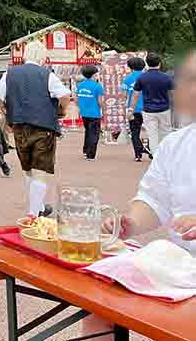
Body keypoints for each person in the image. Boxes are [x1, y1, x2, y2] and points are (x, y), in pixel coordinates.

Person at [83, 50, 196, 340]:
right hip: (182, 268)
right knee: (99, 308)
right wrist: (129, 223)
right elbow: (154, 200)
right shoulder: (176, 144)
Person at [0, 40, 71, 217]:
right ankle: (34, 214)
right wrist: (61, 110)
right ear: (42, 57)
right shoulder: (46, 74)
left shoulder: (10, 73)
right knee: (40, 171)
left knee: (28, 170)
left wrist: (7, 112)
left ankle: (39, 207)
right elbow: (65, 95)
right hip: (43, 127)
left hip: (19, 127)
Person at [129, 52, 174, 158]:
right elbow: (173, 94)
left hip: (148, 110)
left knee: (152, 135)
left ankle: (155, 157)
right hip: (164, 109)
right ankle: (165, 156)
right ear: (159, 63)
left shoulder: (142, 78)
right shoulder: (166, 77)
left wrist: (131, 109)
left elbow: (135, 95)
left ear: (147, 64)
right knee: (165, 133)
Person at [76, 64, 104, 161]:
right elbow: (100, 101)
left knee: (88, 131)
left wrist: (81, 107)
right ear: (94, 75)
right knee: (94, 134)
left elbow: (76, 99)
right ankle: (90, 154)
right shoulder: (97, 86)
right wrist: (105, 109)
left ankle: (85, 151)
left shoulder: (80, 85)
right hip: (95, 114)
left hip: (84, 113)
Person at [122, 56, 147, 161]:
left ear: (130, 67)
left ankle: (138, 155)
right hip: (148, 108)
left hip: (133, 109)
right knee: (152, 131)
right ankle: (151, 150)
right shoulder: (147, 77)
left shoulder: (127, 79)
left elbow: (124, 96)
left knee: (135, 131)